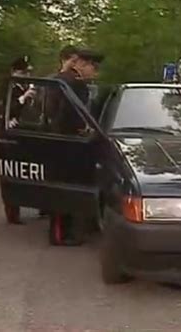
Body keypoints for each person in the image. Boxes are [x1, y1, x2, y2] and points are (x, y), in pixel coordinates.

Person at [48, 48, 104, 245]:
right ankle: (59, 234)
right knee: (64, 188)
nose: (94, 72)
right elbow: (66, 114)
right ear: (80, 64)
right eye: (92, 67)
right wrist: (81, 129)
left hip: (62, 141)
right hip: (67, 142)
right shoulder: (74, 84)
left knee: (66, 187)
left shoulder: (61, 79)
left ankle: (67, 231)